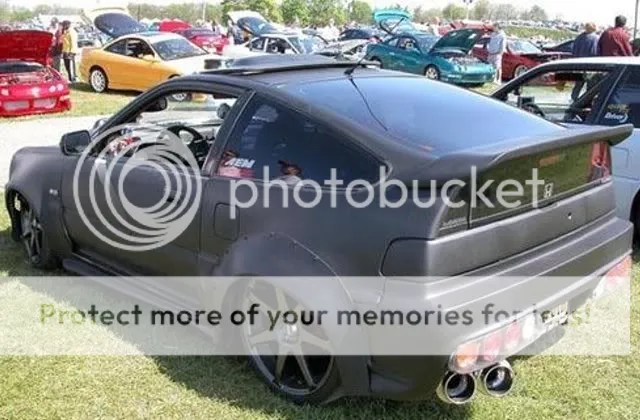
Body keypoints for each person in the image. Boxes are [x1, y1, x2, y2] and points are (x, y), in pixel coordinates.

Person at [571, 23, 600, 100]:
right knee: (590, 87)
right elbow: (595, 52)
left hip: (579, 65)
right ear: (594, 29)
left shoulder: (579, 38)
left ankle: (574, 100)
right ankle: (586, 101)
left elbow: (574, 52)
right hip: (591, 66)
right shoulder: (596, 38)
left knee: (577, 86)